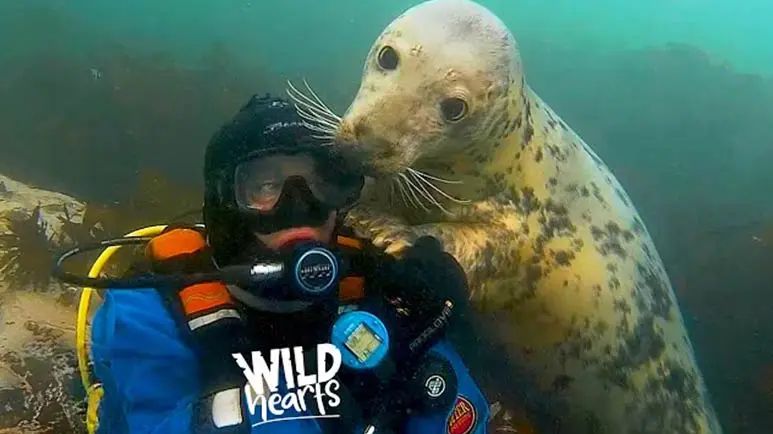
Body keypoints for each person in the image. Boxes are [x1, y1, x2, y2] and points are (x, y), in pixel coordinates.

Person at [87, 94, 489, 434]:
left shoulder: (371, 284)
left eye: (322, 183)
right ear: (225, 203)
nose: (300, 208)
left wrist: (415, 349)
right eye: (266, 186)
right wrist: (324, 395)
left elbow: (464, 415)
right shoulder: (149, 313)